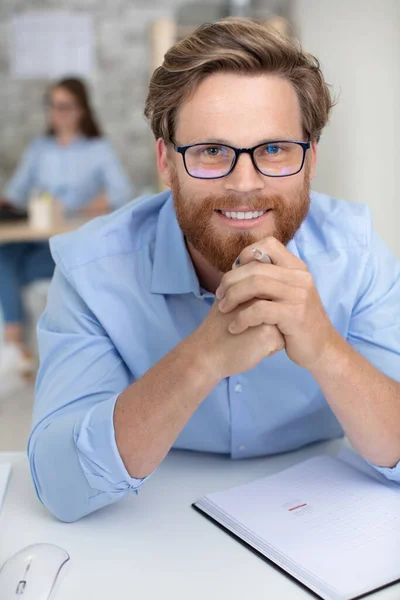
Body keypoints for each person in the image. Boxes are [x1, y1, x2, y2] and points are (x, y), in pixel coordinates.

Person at [28, 19, 400, 523]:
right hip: (159, 526)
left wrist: (326, 348)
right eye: (210, 151)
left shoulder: (355, 252)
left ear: (310, 160)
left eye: (273, 150)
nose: (244, 184)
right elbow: (60, 485)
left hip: (323, 519)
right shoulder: (92, 270)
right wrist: (201, 359)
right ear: (166, 161)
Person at [0, 77, 133, 381]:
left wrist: (90, 205)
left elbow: (122, 193)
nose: (56, 113)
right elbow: (16, 192)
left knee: (19, 267)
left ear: (80, 110)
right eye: (52, 106)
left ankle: (16, 350)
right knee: (4, 257)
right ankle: (14, 345)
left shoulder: (98, 149)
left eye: (64, 106)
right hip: (36, 238)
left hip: (70, 241)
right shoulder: (39, 148)